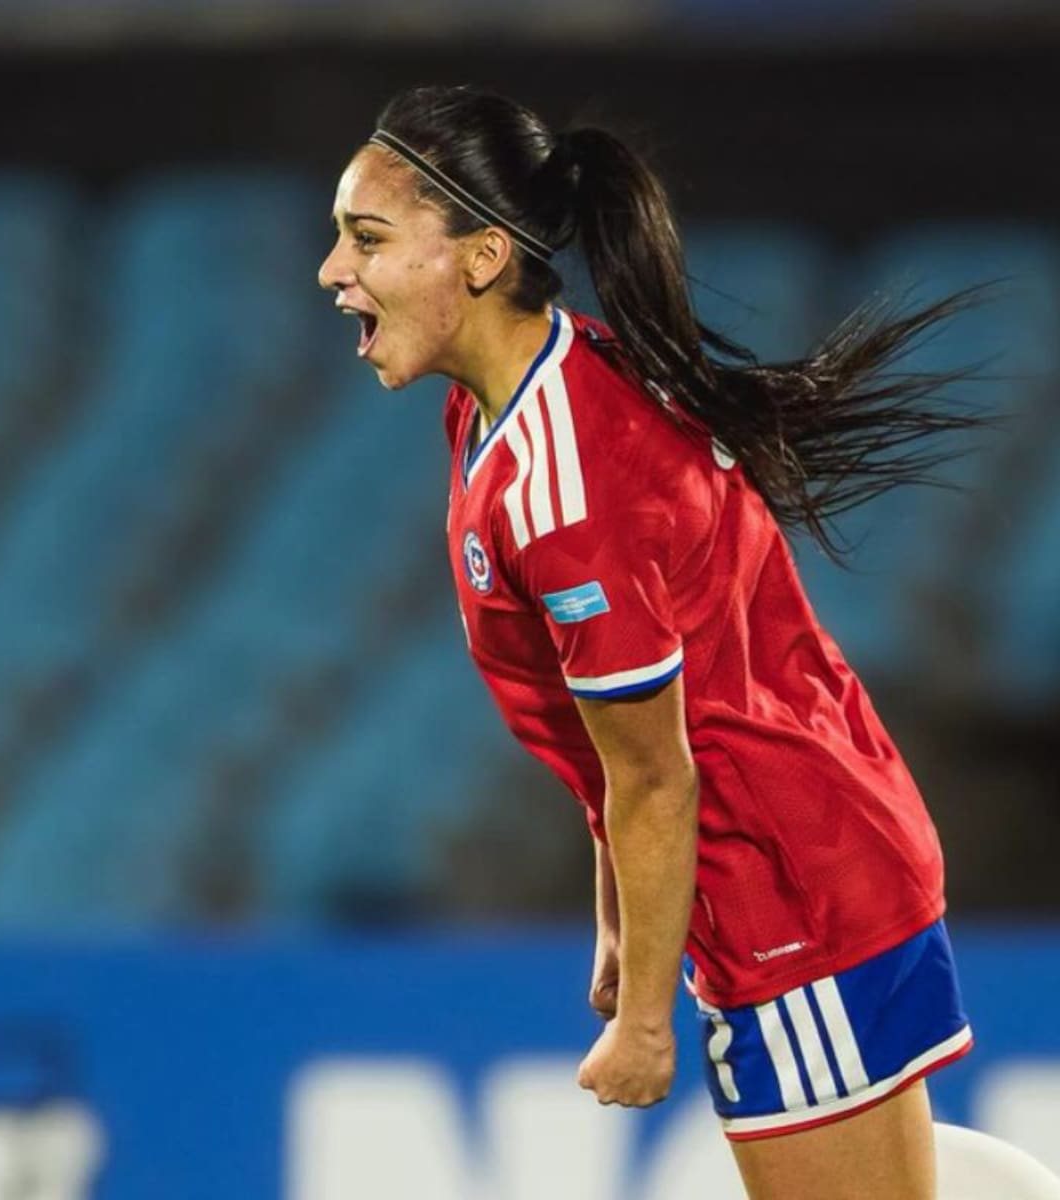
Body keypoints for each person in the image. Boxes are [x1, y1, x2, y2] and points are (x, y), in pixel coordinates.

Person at [318, 84, 989, 1200]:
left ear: (482, 257)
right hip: (800, 854)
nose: (333, 270)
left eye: (368, 238)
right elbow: (618, 739)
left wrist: (643, 1027)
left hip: (789, 895)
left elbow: (656, 775)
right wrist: (625, 923)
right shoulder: (536, 386)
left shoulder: (567, 502)